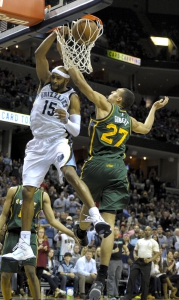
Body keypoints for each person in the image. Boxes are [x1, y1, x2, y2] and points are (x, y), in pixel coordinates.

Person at [57, 33, 169, 300]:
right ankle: (102, 278)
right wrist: (153, 108)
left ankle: (81, 233)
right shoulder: (130, 121)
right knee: (108, 224)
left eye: (114, 92)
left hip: (96, 166)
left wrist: (66, 53)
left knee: (87, 216)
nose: (110, 92)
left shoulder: (105, 105)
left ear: (118, 100)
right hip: (119, 170)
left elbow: (81, 82)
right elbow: (147, 127)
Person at [2, 30, 111, 262]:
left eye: (58, 78)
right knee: (28, 192)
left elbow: (76, 130)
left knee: (70, 173)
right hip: (36, 145)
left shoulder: (72, 97)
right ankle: (24, 245)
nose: (53, 80)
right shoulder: (44, 83)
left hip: (59, 141)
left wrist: (65, 120)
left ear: (66, 80)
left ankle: (96, 216)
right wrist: (54, 33)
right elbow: (40, 55)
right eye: (52, 76)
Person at [0, 185, 79, 300]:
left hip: (30, 234)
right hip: (12, 234)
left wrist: (71, 233)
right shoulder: (14, 190)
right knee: (6, 275)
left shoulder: (43, 195)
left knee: (31, 272)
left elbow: (52, 221)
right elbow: (3, 214)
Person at [121, 227, 159, 300]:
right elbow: (135, 250)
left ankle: (144, 297)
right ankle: (128, 295)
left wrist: (150, 260)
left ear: (151, 232)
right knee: (132, 277)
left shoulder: (153, 242)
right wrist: (135, 256)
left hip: (147, 262)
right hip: (138, 261)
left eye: (148, 230)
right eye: (146, 230)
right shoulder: (139, 241)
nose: (147, 232)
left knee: (145, 281)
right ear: (144, 232)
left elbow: (157, 254)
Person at [107, 226, 129, 299]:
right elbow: (106, 251)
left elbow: (124, 247)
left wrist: (127, 251)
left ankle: (116, 293)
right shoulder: (109, 239)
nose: (116, 231)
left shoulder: (121, 240)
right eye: (114, 230)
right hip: (112, 260)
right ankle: (110, 293)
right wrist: (113, 251)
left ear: (119, 231)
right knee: (111, 277)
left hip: (119, 261)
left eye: (117, 230)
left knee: (117, 277)